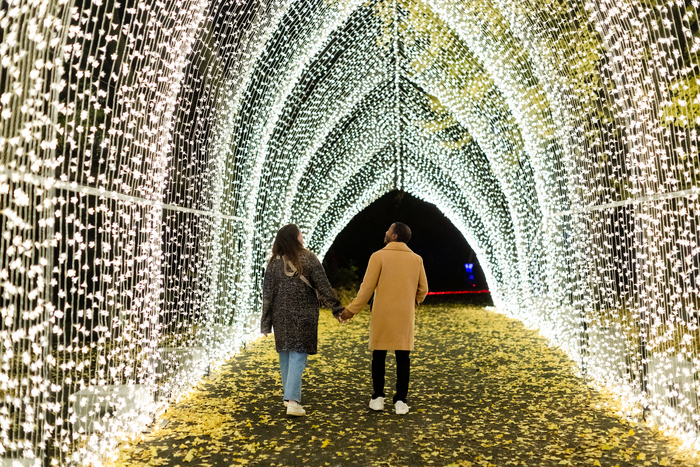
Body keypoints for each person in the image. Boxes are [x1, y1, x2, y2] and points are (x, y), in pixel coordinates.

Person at [340, 222, 428, 415]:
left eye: (388, 230)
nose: (385, 232)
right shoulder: (416, 259)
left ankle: (378, 398)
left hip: (382, 314)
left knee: (379, 355)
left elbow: (366, 290)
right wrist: (413, 302)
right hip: (405, 315)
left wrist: (351, 311)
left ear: (395, 236)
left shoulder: (378, 256)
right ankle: (400, 401)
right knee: (403, 356)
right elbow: (424, 289)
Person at [261, 224, 345, 416]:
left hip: (280, 316)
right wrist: (337, 309)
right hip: (304, 315)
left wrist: (266, 323)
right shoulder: (308, 257)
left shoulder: (273, 262)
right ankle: (292, 401)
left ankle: (288, 397)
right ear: (294, 237)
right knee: (298, 355)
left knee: (286, 355)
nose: (302, 236)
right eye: (300, 233)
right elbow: (323, 286)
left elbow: (267, 295)